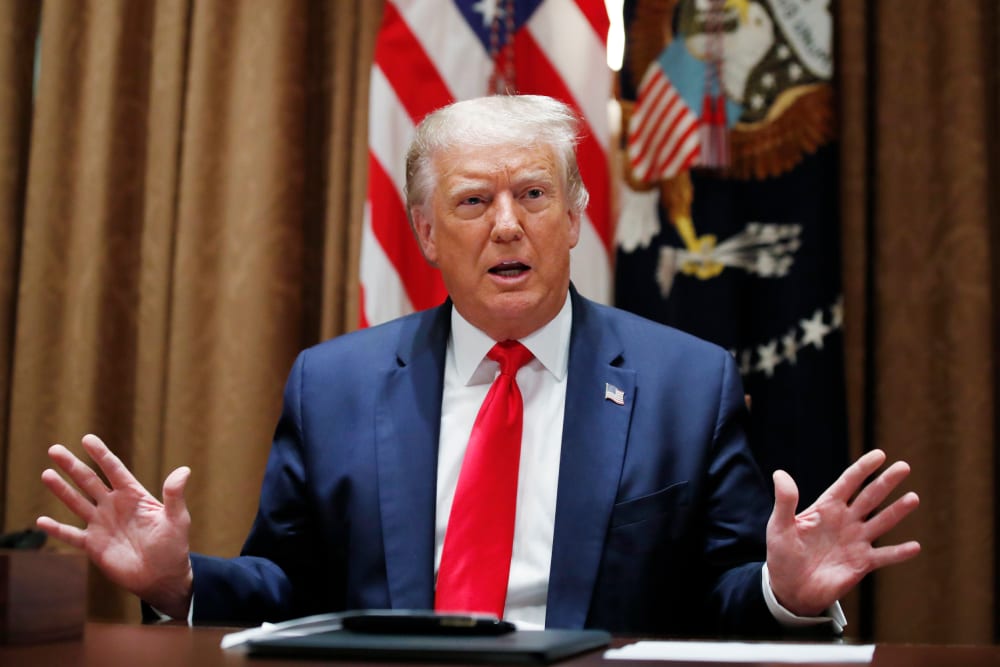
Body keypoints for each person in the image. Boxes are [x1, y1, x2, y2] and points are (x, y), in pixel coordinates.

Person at [36, 95, 919, 636]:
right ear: (425, 233)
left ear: (573, 218)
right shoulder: (333, 384)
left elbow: (718, 601)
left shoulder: (686, 383)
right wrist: (177, 581)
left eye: (534, 194)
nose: (507, 225)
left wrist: (785, 593)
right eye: (471, 201)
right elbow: (287, 589)